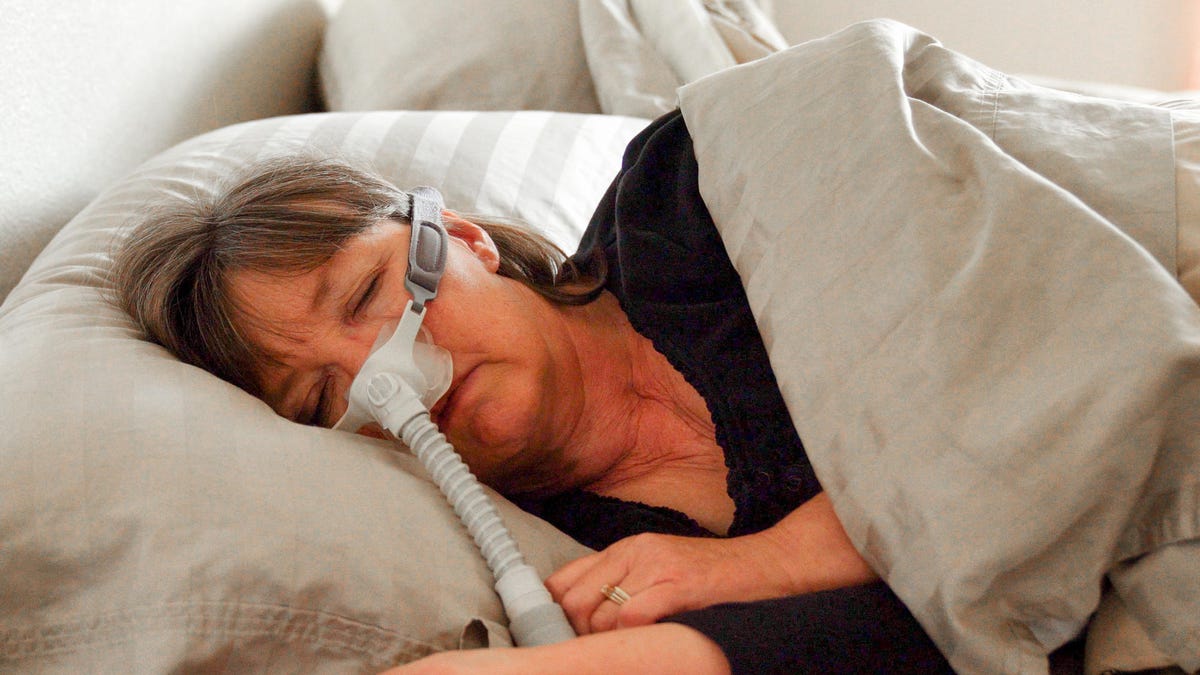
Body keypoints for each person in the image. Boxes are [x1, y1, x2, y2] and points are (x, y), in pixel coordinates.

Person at [112, 112, 962, 674]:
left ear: (467, 240)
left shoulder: (692, 191)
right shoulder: (573, 561)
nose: (388, 373)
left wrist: (765, 563)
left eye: (369, 294)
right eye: (320, 397)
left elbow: (1020, 362)